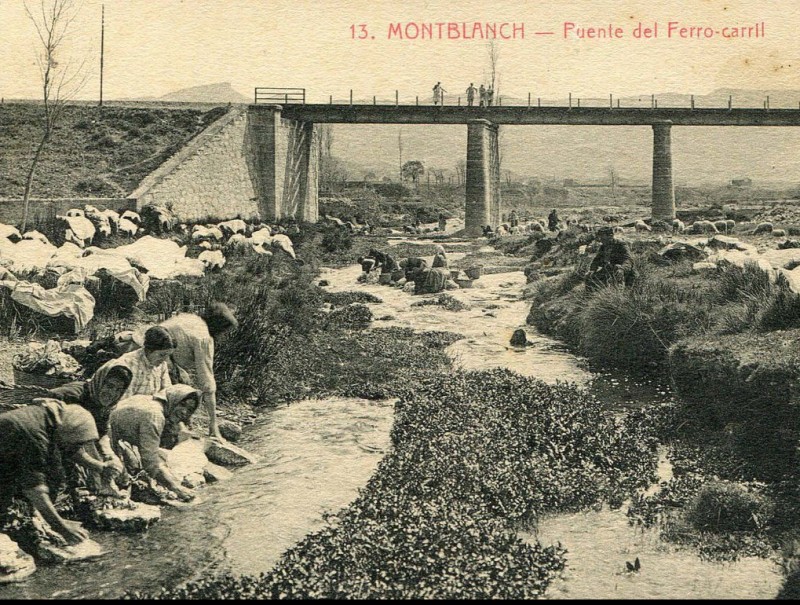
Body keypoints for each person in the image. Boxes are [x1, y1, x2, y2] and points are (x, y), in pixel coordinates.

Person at [0, 400, 102, 545]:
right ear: (70, 431)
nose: (76, 448)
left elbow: (71, 451)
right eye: (77, 443)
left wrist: (99, 467)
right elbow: (35, 490)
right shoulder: (36, 434)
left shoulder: (49, 419)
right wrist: (62, 528)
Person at [109, 385, 202, 503]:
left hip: (114, 435)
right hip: (103, 437)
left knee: (134, 467)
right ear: (173, 399)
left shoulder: (152, 401)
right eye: (182, 405)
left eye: (189, 409)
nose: (184, 412)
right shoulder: (155, 416)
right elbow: (150, 461)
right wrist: (176, 488)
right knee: (121, 477)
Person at [160, 303, 238, 441]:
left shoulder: (190, 318)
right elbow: (207, 384)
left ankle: (180, 426)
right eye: (225, 332)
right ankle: (172, 431)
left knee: (184, 380)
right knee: (183, 393)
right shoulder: (204, 338)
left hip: (143, 346)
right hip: (159, 360)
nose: (225, 337)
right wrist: (213, 423)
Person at [47, 363, 133, 482]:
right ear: (99, 381)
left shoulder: (103, 404)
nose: (112, 393)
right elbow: (71, 445)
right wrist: (97, 468)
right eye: (109, 386)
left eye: (118, 390)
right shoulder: (74, 397)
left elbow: (101, 434)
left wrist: (110, 456)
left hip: (72, 443)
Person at [115, 326, 174, 398]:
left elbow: (167, 391)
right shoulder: (129, 364)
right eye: (162, 355)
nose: (165, 360)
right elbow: (124, 400)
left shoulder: (161, 364)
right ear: (149, 350)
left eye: (168, 355)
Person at [586, 226, 634, 291]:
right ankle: (592, 296)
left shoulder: (621, 244)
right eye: (600, 238)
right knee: (590, 277)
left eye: (603, 238)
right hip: (610, 269)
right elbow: (597, 259)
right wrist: (592, 269)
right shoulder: (603, 246)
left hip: (624, 271)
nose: (601, 240)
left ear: (610, 236)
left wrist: (622, 269)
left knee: (617, 271)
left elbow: (628, 259)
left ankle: (618, 294)